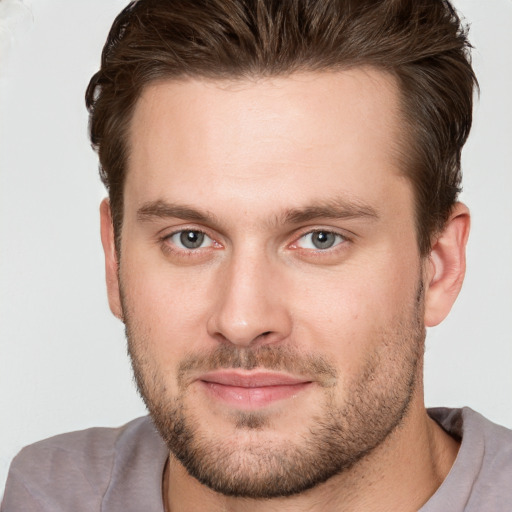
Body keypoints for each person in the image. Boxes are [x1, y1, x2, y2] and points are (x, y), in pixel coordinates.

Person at [2, 0, 511, 510]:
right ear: (115, 260)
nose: (242, 320)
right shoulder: (46, 494)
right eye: (190, 238)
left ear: (439, 266)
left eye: (320, 239)